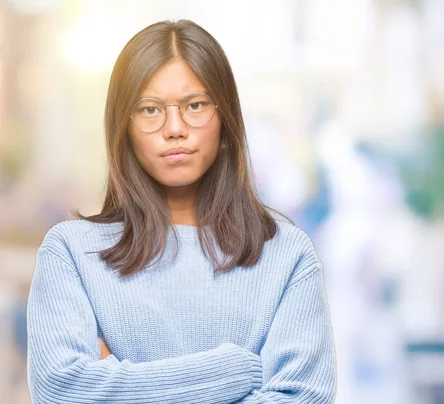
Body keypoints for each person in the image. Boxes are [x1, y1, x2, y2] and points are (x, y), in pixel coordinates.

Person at [26, 19, 336, 403]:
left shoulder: (287, 255)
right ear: (123, 126)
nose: (175, 128)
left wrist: (119, 383)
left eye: (195, 105)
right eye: (150, 109)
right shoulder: (71, 253)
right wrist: (232, 373)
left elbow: (301, 398)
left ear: (226, 120)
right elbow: (61, 392)